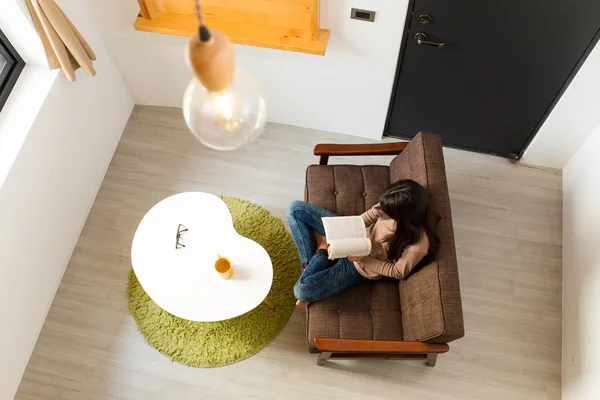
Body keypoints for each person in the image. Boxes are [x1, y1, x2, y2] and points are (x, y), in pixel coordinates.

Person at [286, 179, 439, 305]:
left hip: (359, 266)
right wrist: (349, 229)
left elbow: (397, 272)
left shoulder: (419, 242)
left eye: (386, 212)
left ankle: (321, 251)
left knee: (301, 291)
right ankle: (311, 266)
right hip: (352, 235)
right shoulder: (393, 202)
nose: (381, 211)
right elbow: (368, 217)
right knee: (295, 209)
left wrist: (362, 259)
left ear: (401, 217)